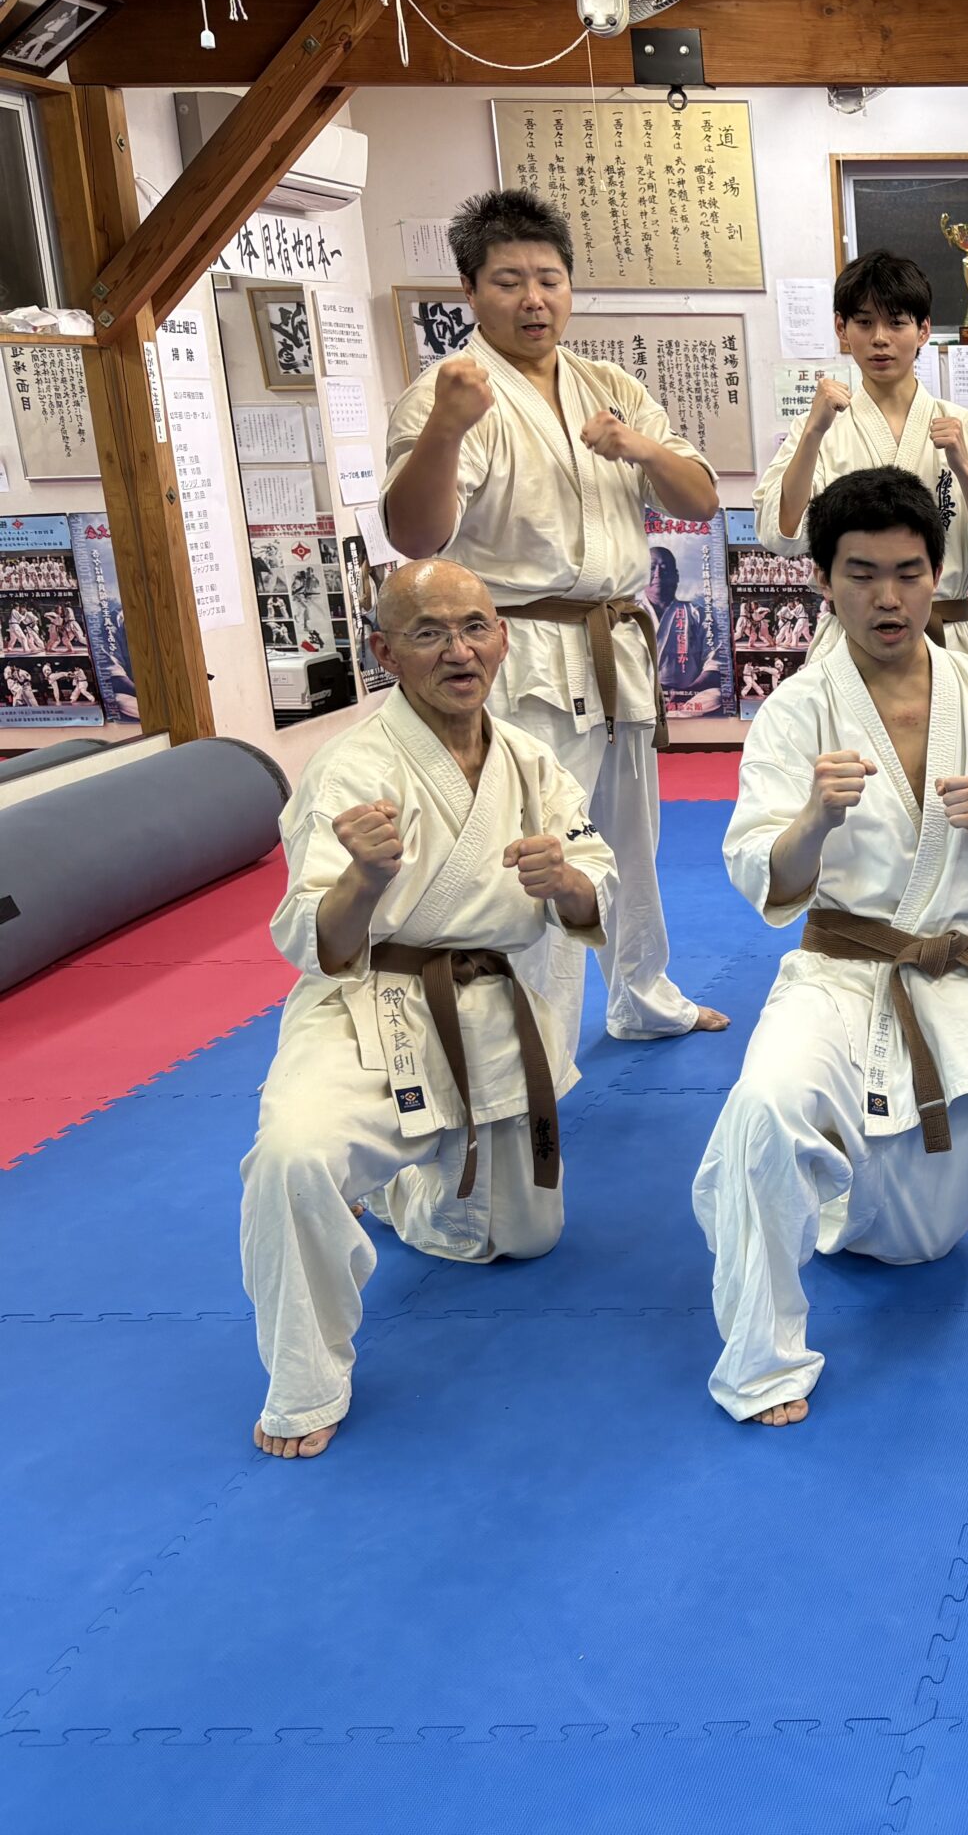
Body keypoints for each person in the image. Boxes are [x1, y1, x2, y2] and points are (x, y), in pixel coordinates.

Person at [692, 468, 968, 1425]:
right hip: (837, 972)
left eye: (908, 573)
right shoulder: (796, 711)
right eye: (861, 574)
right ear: (823, 580)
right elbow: (756, 865)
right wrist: (814, 823)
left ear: (935, 573)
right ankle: (761, 1361)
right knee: (763, 1110)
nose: (888, 597)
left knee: (921, 1242)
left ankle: (840, 1190)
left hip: (954, 976)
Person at [237, 560, 616, 1459]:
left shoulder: (531, 760)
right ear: (383, 652)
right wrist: (365, 879)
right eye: (429, 633)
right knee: (293, 1157)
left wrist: (565, 882)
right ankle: (304, 1381)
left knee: (524, 1239)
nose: (460, 651)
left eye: (475, 627)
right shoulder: (352, 767)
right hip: (369, 1004)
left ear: (503, 637)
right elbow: (309, 936)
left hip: (490, 1004)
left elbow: (594, 881)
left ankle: (407, 1189)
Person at [381, 187, 729, 1044]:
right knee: (535, 849)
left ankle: (642, 995)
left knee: (630, 841)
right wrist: (446, 432)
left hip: (615, 642)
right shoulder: (448, 393)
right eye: (508, 282)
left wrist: (639, 446)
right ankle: (531, 1038)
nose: (533, 300)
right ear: (470, 291)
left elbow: (700, 499)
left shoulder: (609, 387)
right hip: (518, 650)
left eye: (549, 279)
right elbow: (413, 536)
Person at [750, 248, 968, 673]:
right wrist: (812, 434)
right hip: (848, 642)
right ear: (842, 328)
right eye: (864, 323)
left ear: (923, 330)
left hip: (947, 640)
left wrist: (964, 470)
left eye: (896, 322)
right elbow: (781, 536)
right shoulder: (819, 428)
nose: (880, 338)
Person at [646, 542, 725, 716]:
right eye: (651, 568)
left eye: (664, 568)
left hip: (687, 698)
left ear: (676, 576)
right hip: (640, 698)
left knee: (716, 696)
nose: (658, 574)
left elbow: (715, 663)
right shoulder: (628, 614)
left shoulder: (697, 613)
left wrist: (685, 692)